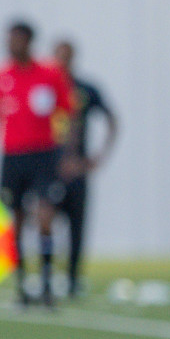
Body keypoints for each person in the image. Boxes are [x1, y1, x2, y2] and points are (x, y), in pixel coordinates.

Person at [0, 21, 73, 307]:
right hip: (12, 156)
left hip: (44, 155)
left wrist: (67, 154)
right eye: (7, 39)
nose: (9, 44)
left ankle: (46, 284)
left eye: (15, 39)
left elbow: (66, 114)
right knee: (16, 222)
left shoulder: (49, 74)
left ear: (28, 41)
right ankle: (22, 287)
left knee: (45, 218)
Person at [52, 39, 118, 299]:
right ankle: (44, 273)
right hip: (48, 168)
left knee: (77, 225)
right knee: (42, 220)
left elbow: (112, 119)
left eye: (66, 57)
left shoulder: (85, 90)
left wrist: (98, 158)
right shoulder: (43, 87)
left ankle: (72, 278)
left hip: (76, 169)